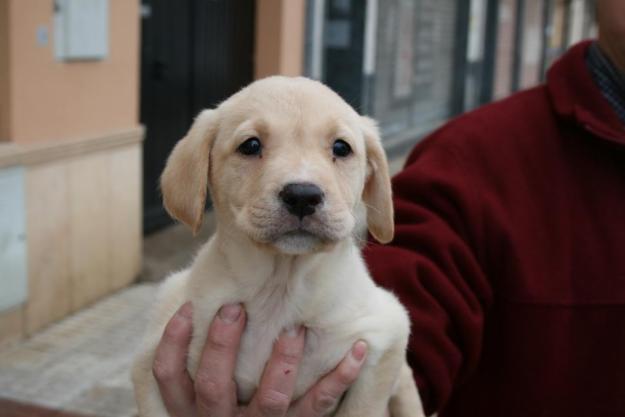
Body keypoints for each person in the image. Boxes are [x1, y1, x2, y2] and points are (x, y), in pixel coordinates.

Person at [149, 1, 625, 415]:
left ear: (372, 177)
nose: (302, 185)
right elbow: (405, 317)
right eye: (252, 146)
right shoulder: (471, 162)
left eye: (339, 150)